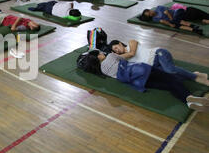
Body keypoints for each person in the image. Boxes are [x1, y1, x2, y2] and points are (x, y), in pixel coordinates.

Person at [79, 50, 209, 110]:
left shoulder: (102, 71)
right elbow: (127, 57)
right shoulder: (111, 56)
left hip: (137, 82)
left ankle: (187, 101)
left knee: (168, 85)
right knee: (171, 78)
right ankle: (188, 96)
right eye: (100, 53)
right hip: (142, 70)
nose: (103, 53)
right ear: (99, 57)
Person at [109, 39, 209, 86]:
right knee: (175, 79)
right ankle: (196, 74)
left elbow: (132, 53)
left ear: (120, 43)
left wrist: (115, 56)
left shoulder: (131, 42)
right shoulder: (124, 60)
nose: (117, 51)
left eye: (116, 47)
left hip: (159, 54)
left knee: (170, 70)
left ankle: (197, 78)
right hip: (154, 66)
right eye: (115, 51)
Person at [140, 5, 208, 35]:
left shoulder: (159, 7)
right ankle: (195, 30)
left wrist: (171, 19)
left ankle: (193, 26)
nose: (150, 14)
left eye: (149, 12)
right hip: (176, 19)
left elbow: (168, 12)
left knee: (175, 21)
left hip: (177, 12)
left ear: (149, 10)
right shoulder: (154, 19)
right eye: (149, 15)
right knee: (176, 25)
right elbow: (163, 21)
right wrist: (170, 24)